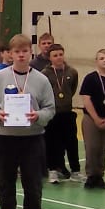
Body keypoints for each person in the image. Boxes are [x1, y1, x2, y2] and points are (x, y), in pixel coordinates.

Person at [0, 34, 55, 209]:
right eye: (17, 51)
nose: (21, 55)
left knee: (33, 185)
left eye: (25, 51)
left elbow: (50, 108)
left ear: (31, 53)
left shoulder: (41, 80)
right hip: (4, 138)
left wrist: (38, 116)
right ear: (10, 54)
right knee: (6, 183)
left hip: (32, 138)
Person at [78, 48, 105, 190]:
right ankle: (91, 175)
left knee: (104, 148)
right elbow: (86, 99)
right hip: (91, 118)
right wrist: (95, 118)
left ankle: (99, 176)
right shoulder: (90, 78)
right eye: (101, 58)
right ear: (96, 61)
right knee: (92, 147)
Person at [41, 44, 80, 184]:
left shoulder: (72, 72)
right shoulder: (45, 74)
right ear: (50, 58)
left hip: (67, 113)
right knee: (52, 143)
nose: (58, 58)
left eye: (60, 54)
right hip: (52, 114)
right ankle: (52, 170)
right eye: (55, 55)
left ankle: (76, 171)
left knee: (71, 142)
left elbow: (72, 89)